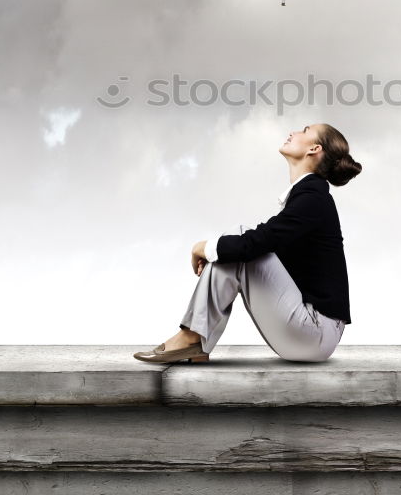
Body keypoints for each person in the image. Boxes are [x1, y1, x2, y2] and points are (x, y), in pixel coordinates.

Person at [133, 123, 362, 364]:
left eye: (304, 131)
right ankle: (194, 342)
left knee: (240, 239)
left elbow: (256, 242)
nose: (294, 132)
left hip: (315, 331)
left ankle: (192, 338)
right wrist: (217, 257)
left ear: (314, 149)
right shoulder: (308, 196)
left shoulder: (313, 197)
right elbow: (260, 245)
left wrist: (203, 248)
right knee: (234, 248)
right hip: (310, 333)